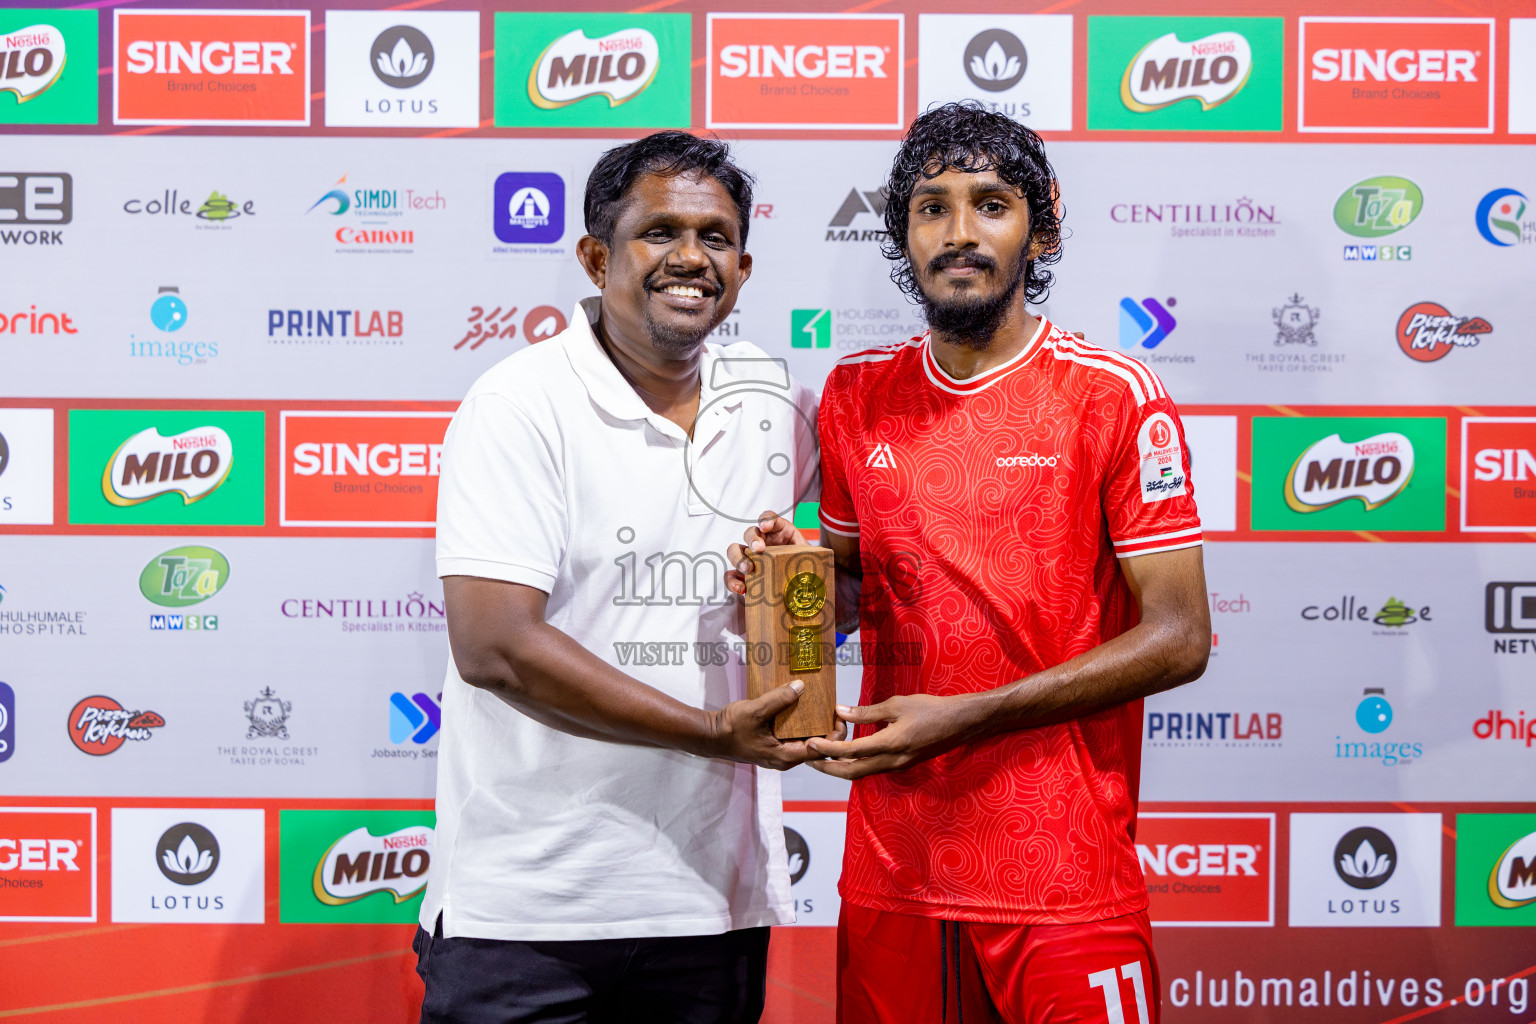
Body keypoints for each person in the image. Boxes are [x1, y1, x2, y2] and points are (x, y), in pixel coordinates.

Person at [727, 103, 1211, 1024]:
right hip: (894, 867)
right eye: (931, 207)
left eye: (990, 204)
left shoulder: (1112, 398)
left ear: (1045, 223)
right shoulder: (857, 391)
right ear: (901, 230)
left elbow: (1181, 638)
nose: (959, 234)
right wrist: (789, 583)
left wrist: (965, 717)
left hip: (1063, 878)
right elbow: (851, 588)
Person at [416, 131, 824, 1024]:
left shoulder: (777, 405)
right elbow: (495, 648)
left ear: (745, 268)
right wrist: (710, 730)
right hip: (529, 910)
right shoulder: (518, 403)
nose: (691, 258)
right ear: (598, 256)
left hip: (710, 904)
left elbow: (827, 609)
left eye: (715, 237)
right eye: (660, 232)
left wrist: (791, 588)